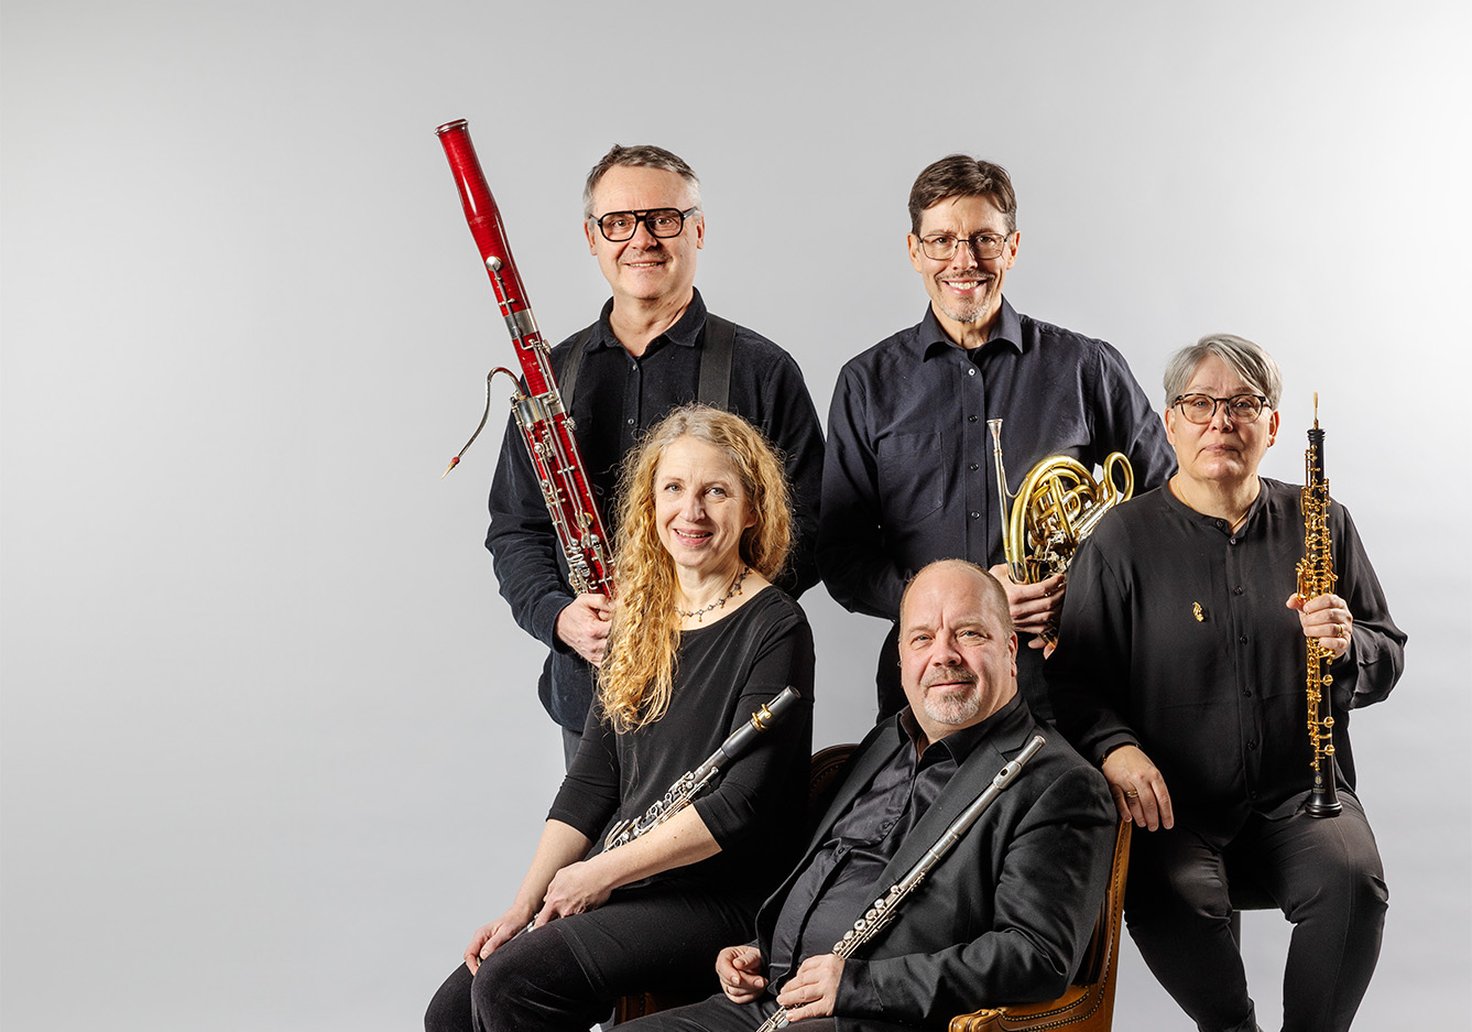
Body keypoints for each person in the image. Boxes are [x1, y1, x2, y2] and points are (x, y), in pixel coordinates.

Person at [1045, 334, 1406, 1032]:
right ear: (1170, 422)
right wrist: (1116, 748)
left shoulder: (1323, 520)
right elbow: (1072, 685)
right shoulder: (1119, 541)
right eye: (1200, 404)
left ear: (1272, 425)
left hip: (1304, 794)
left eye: (1243, 404)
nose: (1221, 421)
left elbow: (1386, 652)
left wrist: (1349, 646)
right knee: (1166, 895)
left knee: (1354, 883)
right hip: (1173, 810)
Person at [427, 406, 817, 1032]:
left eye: (716, 491)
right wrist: (524, 905)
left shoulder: (777, 626)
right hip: (632, 880)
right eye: (674, 488)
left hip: (723, 897)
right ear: (651, 503)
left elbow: (738, 805)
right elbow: (592, 782)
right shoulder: (641, 617)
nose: (691, 512)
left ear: (752, 509)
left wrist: (600, 873)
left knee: (512, 985)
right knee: (450, 1011)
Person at [622, 559, 1116, 1032]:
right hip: (777, 1000)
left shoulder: (1058, 783)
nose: (943, 655)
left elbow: (1035, 956)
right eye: (922, 638)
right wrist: (764, 948)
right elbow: (841, 878)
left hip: (889, 1019)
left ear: (1009, 649)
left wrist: (861, 984)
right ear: (902, 659)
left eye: (969, 633)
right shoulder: (885, 742)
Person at [487, 144, 825, 765]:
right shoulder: (550, 377)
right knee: (587, 834)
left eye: (663, 219)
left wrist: (708, 617)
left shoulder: (763, 371)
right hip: (590, 694)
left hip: (720, 689)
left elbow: (807, 529)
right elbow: (516, 528)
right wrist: (559, 617)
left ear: (697, 230)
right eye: (618, 222)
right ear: (592, 238)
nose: (641, 239)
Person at [819, 154, 1175, 723]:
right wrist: (966, 605)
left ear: (1011, 248)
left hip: (1071, 679)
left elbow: (1169, 510)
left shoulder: (1086, 366)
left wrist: (1080, 590)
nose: (964, 261)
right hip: (927, 688)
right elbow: (842, 559)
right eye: (942, 241)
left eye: (984, 239)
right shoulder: (867, 384)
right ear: (914, 251)